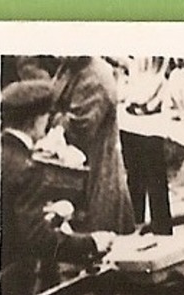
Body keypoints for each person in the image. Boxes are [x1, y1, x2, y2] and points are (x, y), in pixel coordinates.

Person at [0, 79, 111, 295]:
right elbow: (37, 240)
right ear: (36, 120)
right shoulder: (26, 168)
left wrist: (46, 212)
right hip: (11, 277)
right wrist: (90, 243)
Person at [45, 55, 136, 234]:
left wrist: (46, 118)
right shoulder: (71, 66)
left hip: (95, 180)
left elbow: (78, 129)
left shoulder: (95, 76)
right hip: (73, 176)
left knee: (96, 244)